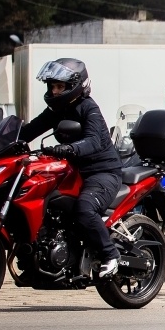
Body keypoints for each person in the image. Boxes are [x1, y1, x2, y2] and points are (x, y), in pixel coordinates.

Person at [19, 58, 122, 278]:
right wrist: (0, 141)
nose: (55, 91)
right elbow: (30, 130)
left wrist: (68, 148)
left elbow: (94, 141)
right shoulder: (56, 110)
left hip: (102, 172)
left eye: (60, 87)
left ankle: (110, 255)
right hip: (72, 171)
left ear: (76, 85)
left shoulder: (89, 108)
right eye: (52, 86)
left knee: (84, 209)